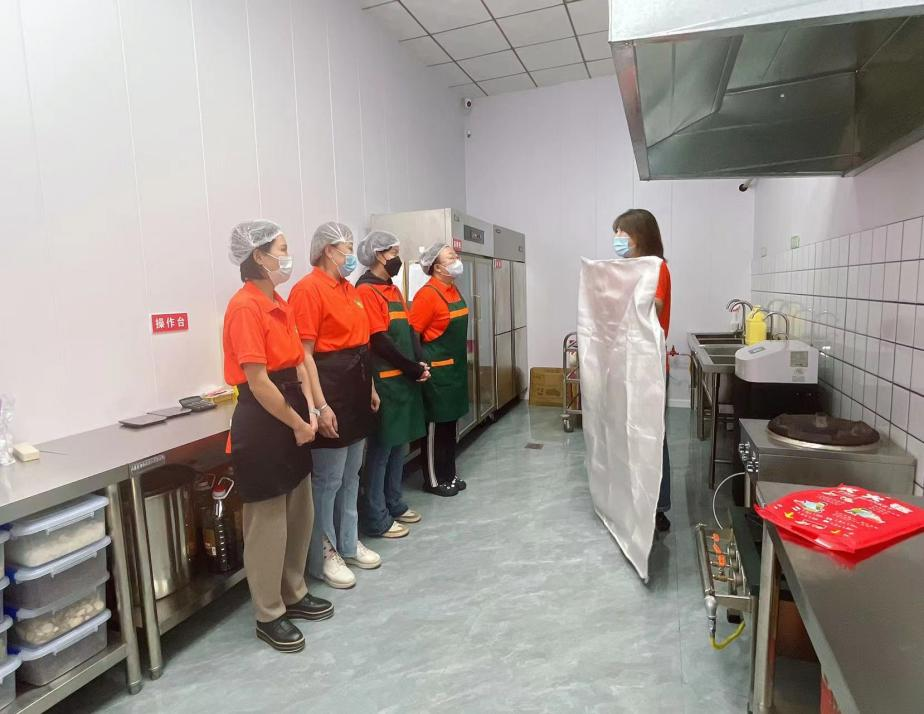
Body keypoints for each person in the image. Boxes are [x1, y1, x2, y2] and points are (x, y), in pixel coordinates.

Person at [222, 220, 333, 653]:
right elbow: (258, 381)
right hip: (264, 421)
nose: (287, 257)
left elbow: (298, 364)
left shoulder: (278, 303)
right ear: (258, 256)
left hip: (291, 413)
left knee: (299, 511)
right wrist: (298, 422)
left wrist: (314, 410)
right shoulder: (245, 308)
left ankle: (294, 592)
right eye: (281, 249)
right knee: (267, 523)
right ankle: (268, 614)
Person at [289, 222, 380, 590]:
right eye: (347, 247)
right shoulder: (307, 290)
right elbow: (304, 355)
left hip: (356, 389)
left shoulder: (349, 289)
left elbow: (361, 345)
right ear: (328, 249)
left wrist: (370, 387)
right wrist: (320, 406)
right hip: (330, 390)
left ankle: (348, 541)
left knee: (352, 474)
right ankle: (323, 554)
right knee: (327, 480)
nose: (351, 254)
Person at [355, 231, 429, 538]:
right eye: (394, 252)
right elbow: (379, 340)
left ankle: (394, 503)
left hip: (403, 381)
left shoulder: (392, 289)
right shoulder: (366, 291)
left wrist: (420, 362)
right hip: (385, 382)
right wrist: (410, 368)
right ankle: (376, 516)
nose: (398, 258)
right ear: (378, 255)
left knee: (400, 445)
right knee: (382, 448)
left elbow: (409, 330)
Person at [613, 209, 673, 532]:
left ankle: (658, 506)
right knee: (629, 432)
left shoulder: (656, 267)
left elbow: (655, 306)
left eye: (621, 232)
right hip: (630, 362)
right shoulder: (631, 269)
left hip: (649, 365)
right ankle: (634, 498)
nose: (617, 239)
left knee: (652, 435)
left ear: (639, 235)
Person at [410, 243, 470, 497]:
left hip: (455, 371)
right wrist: (421, 365)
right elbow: (413, 334)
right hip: (436, 373)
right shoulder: (427, 295)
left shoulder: (453, 289)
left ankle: (449, 474)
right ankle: (433, 480)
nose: (456, 259)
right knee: (435, 428)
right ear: (436, 267)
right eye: (450, 256)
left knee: (450, 427)